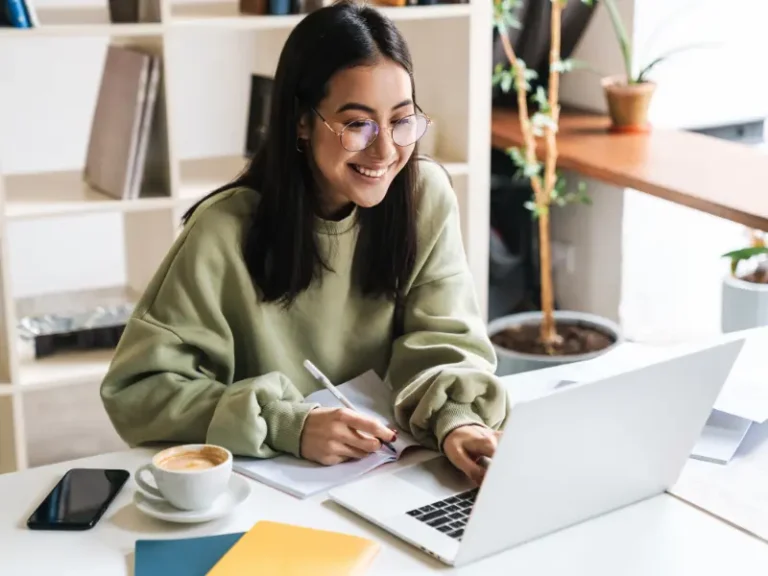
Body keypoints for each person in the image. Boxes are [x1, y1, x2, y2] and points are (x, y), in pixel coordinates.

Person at [100, 0, 508, 486]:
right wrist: (288, 424)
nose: (386, 150)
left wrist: (458, 417)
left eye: (401, 120)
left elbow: (445, 342)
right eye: (358, 124)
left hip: (393, 477)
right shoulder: (223, 230)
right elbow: (139, 391)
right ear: (301, 121)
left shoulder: (426, 198)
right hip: (265, 490)